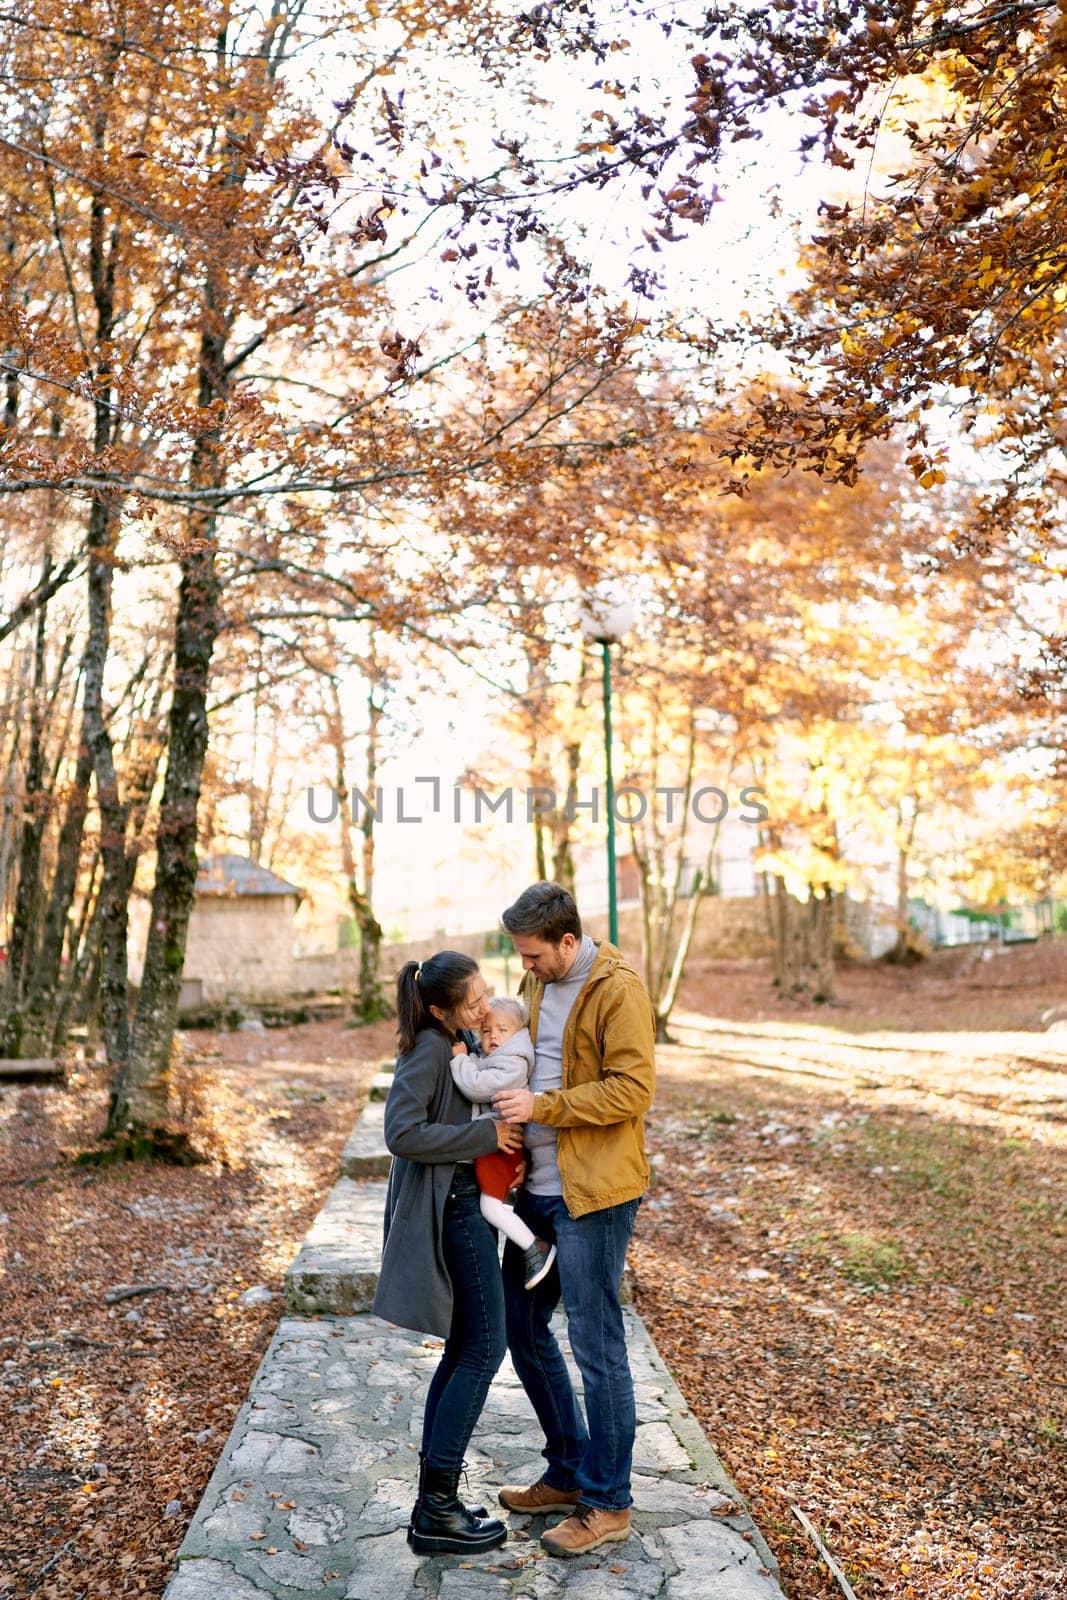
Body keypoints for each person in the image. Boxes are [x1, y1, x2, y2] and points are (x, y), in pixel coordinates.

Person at [490, 882, 656, 1559]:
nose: (524, 968)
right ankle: (567, 1470)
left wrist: (542, 1111)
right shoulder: (538, 985)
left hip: (594, 1194)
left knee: (595, 1344)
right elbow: (534, 1065)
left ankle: (607, 1502)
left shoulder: (618, 989)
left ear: (567, 941)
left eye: (533, 956)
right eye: (519, 957)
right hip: (540, 1190)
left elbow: (631, 1089)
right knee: (521, 1326)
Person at [372, 950, 524, 1556]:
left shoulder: (455, 1038)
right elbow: (401, 1132)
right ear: (439, 1008)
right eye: (471, 1002)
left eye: (484, 993)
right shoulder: (432, 1047)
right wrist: (484, 1135)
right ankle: (435, 1508)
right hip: (454, 1207)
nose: (483, 1007)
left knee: (466, 1347)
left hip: (464, 1200)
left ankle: (435, 1502)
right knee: (485, 1347)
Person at [450, 996, 558, 1291]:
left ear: (520, 1034)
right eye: (485, 1032)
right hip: (495, 1144)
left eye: (502, 1029)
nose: (493, 1036)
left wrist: (460, 1060)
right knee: (493, 1203)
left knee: (490, 1208)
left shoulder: (514, 1062)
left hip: (503, 1146)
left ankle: (536, 1247)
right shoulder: (498, 1058)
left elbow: (476, 1087)